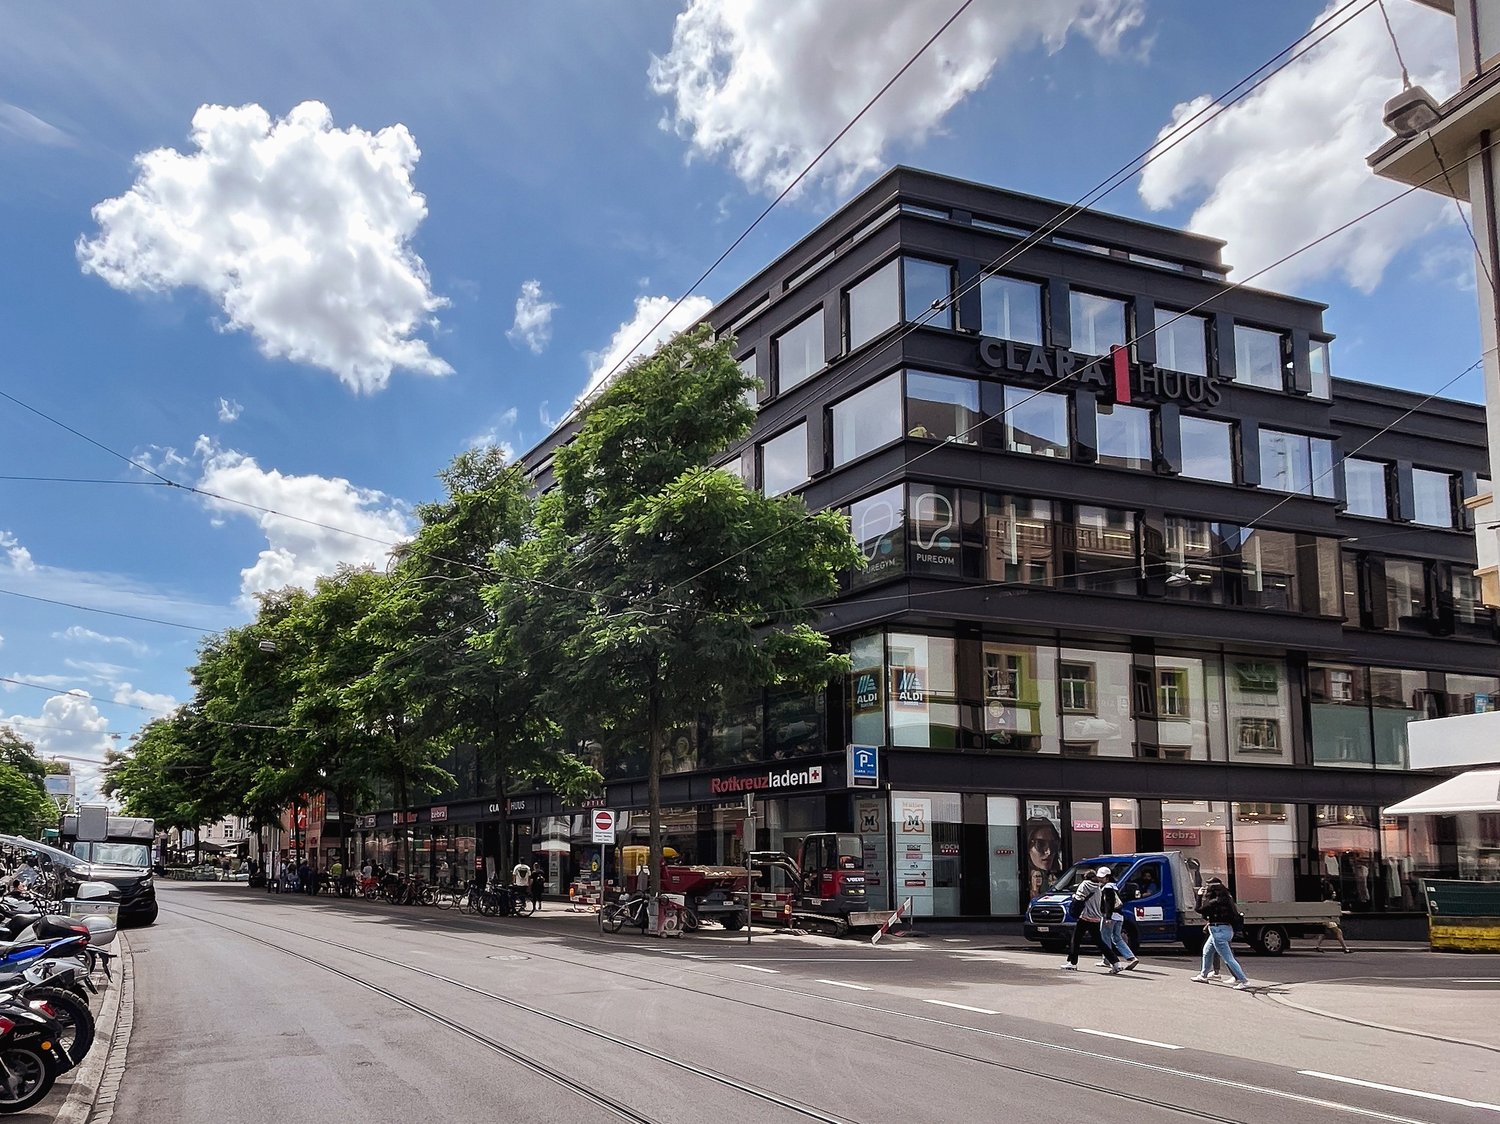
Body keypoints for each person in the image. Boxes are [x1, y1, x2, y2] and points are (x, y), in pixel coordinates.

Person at [1192, 878, 1251, 990]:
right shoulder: (1227, 898)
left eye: (1207, 887)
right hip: (1226, 929)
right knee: (1207, 951)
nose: (1205, 889)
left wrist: (1199, 896)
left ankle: (1244, 980)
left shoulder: (1214, 901)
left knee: (1228, 958)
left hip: (1217, 931)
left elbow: (1199, 909)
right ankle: (1203, 975)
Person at [1061, 866, 1119, 972]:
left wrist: (1074, 898)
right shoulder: (1098, 887)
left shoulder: (1084, 885)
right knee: (1099, 941)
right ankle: (1115, 962)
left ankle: (1072, 963)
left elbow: (1079, 898)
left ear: (1085, 877)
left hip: (1085, 916)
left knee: (1076, 939)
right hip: (1096, 917)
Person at [1098, 877, 1139, 970]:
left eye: (1101, 878)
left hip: (1110, 917)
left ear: (1107, 878)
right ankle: (1131, 957)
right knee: (1117, 938)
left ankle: (1107, 960)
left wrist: (1108, 917)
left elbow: (1109, 903)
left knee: (1105, 938)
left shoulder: (1107, 888)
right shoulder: (1115, 887)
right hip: (1119, 916)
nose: (1099, 879)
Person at [1025, 817, 1063, 900]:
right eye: (1040, 845)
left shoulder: (1061, 876)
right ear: (1028, 847)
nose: (1048, 852)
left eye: (1053, 844)